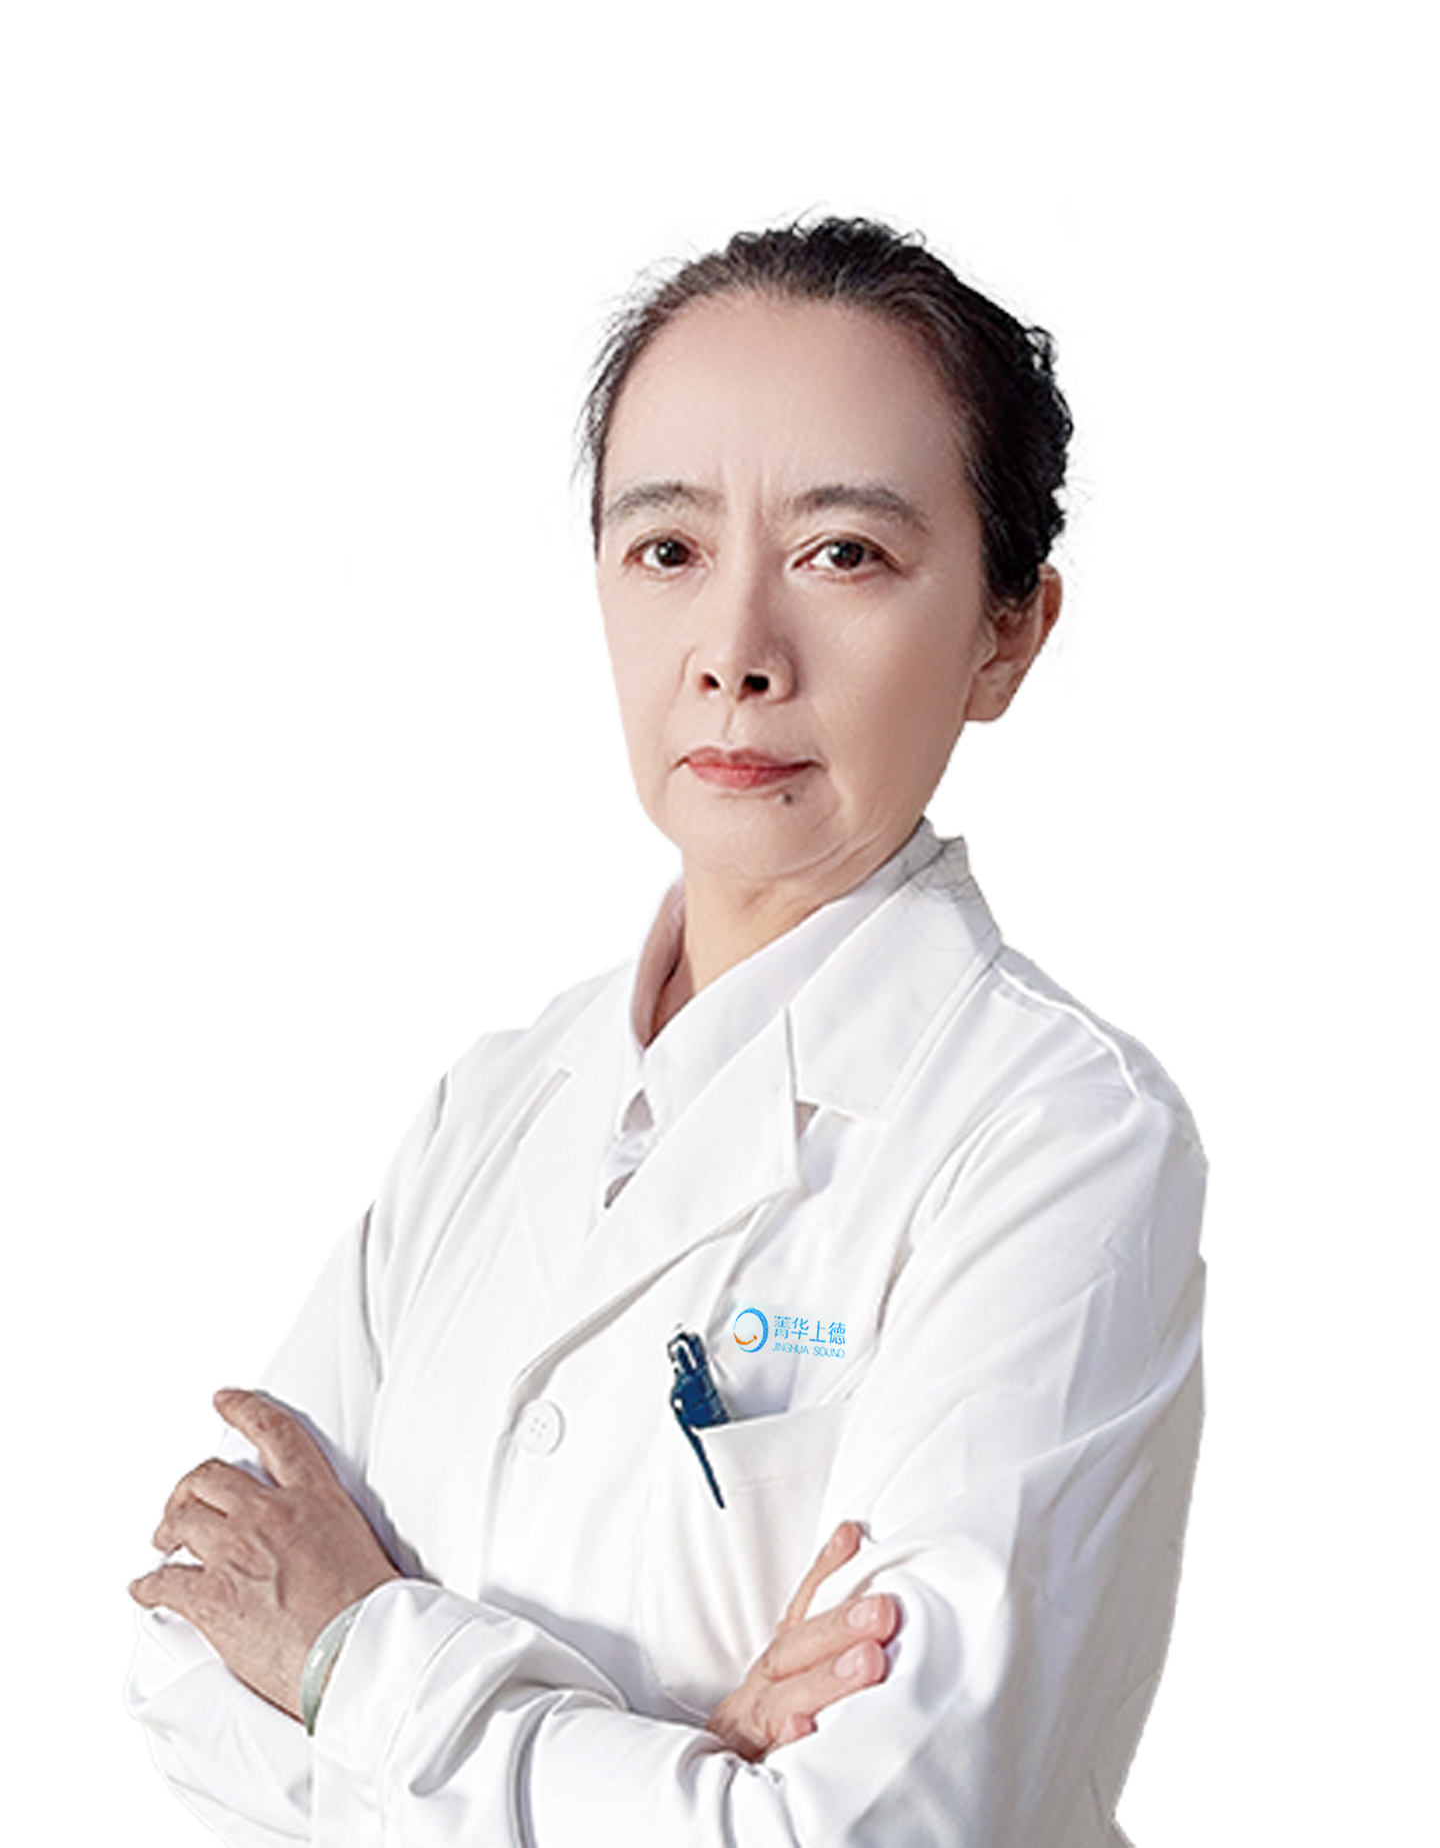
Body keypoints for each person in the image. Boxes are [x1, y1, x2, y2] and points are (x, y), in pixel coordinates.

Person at [128, 217, 1205, 1846]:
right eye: (668, 548)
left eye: (845, 553)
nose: (736, 655)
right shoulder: (499, 1099)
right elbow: (181, 1659)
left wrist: (351, 1655)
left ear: (1008, 631)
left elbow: (861, 1830)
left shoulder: (1062, 1137)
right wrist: (681, 1754)